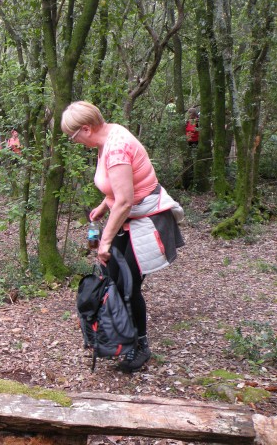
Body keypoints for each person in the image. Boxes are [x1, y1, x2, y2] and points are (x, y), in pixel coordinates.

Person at [62, 101, 184, 374]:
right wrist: (104, 204)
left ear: (86, 128)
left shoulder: (116, 148)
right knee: (113, 278)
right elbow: (118, 188)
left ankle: (139, 346)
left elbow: (126, 200)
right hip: (130, 215)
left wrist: (104, 241)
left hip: (146, 218)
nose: (75, 142)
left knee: (129, 286)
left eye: (73, 136)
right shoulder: (107, 137)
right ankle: (118, 337)